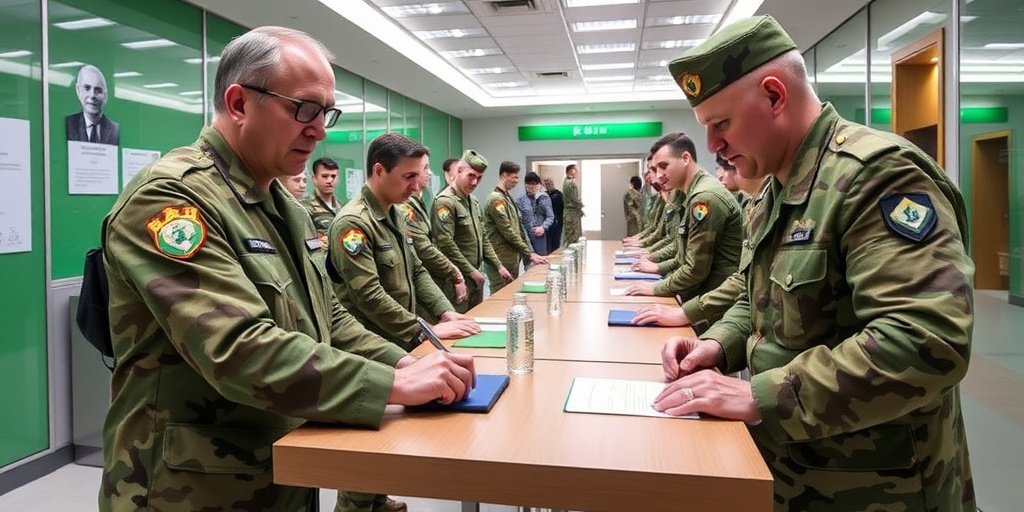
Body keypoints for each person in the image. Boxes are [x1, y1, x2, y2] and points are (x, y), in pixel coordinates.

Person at [98, 26, 476, 512]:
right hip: (189, 486)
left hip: (276, 462)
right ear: (239, 104)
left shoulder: (279, 202)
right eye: (305, 110)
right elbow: (236, 347)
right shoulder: (172, 199)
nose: (320, 130)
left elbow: (328, 315)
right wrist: (393, 386)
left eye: (326, 114)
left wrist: (405, 361)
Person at [654, 15, 975, 511]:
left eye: (721, 123)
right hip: (794, 469)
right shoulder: (772, 191)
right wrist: (717, 345)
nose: (713, 145)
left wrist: (760, 396)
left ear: (774, 95)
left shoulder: (878, 176)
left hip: (875, 486)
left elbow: (926, 338)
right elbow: (754, 297)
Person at [625, 132, 743, 299]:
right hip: (704, 296)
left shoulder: (704, 197)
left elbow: (695, 270)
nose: (659, 175)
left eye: (664, 166)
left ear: (686, 158)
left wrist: (655, 288)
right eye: (655, 169)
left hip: (714, 302)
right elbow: (683, 254)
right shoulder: (693, 193)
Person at [432, 150, 512, 311]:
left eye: (479, 178)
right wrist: (470, 271)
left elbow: (483, 237)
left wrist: (498, 266)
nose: (475, 182)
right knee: (460, 325)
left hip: (476, 277)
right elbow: (445, 244)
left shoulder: (473, 201)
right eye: (471, 176)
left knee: (475, 320)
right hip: (456, 279)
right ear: (459, 171)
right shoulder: (445, 202)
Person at [401, 160, 468, 322]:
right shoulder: (405, 207)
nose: (430, 173)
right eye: (425, 168)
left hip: (429, 280)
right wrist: (455, 272)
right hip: (414, 291)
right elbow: (424, 248)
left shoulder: (418, 202)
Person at [482, 161, 547, 293]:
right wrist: (529, 253)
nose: (517, 181)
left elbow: (518, 228)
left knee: (510, 296)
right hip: (500, 259)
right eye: (514, 177)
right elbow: (508, 231)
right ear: (504, 175)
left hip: (511, 258)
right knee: (500, 298)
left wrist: (529, 252)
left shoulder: (507, 197)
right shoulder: (496, 199)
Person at [66, 64, 120, 145]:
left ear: (105, 96)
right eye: (87, 88)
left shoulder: (115, 130)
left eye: (98, 90)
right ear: (78, 90)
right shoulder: (69, 124)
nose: (92, 95)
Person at [516, 172, 555, 255]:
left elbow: (550, 216)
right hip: (525, 236)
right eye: (528, 183)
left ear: (538, 184)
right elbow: (518, 219)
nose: (531, 186)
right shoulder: (520, 200)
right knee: (528, 263)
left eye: (533, 184)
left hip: (539, 236)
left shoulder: (543, 198)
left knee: (541, 262)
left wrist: (543, 227)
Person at [303, 156, 342, 242]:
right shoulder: (304, 207)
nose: (329, 180)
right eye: (325, 176)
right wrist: (317, 243)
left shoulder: (343, 208)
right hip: (319, 254)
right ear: (314, 179)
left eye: (333, 176)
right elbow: (301, 241)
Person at [561, 164, 584, 244]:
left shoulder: (565, 181)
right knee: (573, 238)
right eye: (576, 170)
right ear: (572, 171)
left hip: (569, 213)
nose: (577, 172)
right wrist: (581, 206)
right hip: (572, 213)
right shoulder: (571, 183)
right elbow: (574, 199)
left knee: (569, 237)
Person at [544, 177, 563, 251]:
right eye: (546, 184)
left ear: (553, 184)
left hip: (557, 222)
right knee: (547, 242)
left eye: (550, 183)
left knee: (555, 242)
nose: (548, 185)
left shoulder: (559, 195)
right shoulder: (544, 195)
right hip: (547, 222)